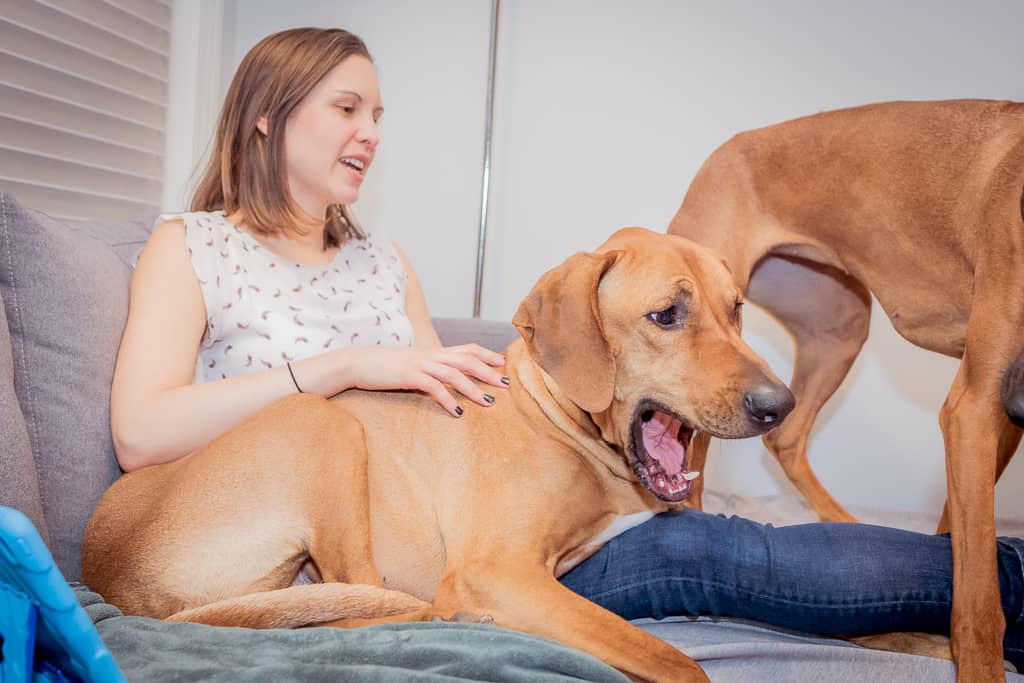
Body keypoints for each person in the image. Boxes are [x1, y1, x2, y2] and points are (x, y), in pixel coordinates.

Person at [112, 26, 1024, 670]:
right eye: (346, 107)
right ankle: (1001, 588)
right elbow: (141, 434)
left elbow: (446, 411)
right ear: (267, 118)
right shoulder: (193, 244)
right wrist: (343, 367)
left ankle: (985, 603)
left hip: (439, 522)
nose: (370, 133)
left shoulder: (379, 261)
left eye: (378, 112)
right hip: (215, 524)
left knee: (729, 549)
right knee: (705, 555)